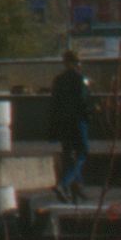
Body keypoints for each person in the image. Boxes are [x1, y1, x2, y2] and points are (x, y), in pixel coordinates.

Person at [46, 48, 94, 202]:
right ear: (77, 62)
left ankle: (78, 187)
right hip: (77, 121)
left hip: (62, 122)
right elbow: (83, 101)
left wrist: (53, 126)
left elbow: (54, 103)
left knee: (68, 154)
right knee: (82, 152)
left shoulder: (58, 80)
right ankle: (63, 184)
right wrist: (91, 112)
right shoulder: (80, 79)